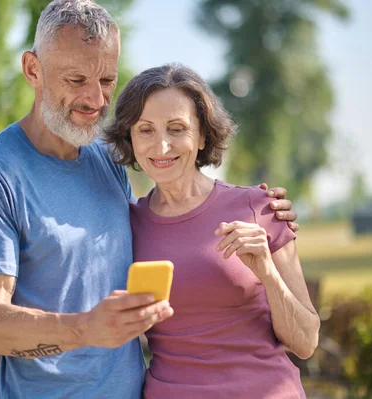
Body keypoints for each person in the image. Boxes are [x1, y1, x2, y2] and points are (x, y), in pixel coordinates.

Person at [0, 1, 298, 398]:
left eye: (107, 80)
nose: (96, 99)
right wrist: (79, 329)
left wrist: (261, 212)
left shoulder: (106, 157)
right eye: (77, 79)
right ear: (33, 69)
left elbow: (156, 233)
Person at [104, 63, 320, 399]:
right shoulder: (125, 225)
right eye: (145, 130)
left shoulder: (260, 207)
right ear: (129, 138)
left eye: (177, 129)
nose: (161, 147)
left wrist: (267, 272)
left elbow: (305, 343)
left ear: (203, 135)